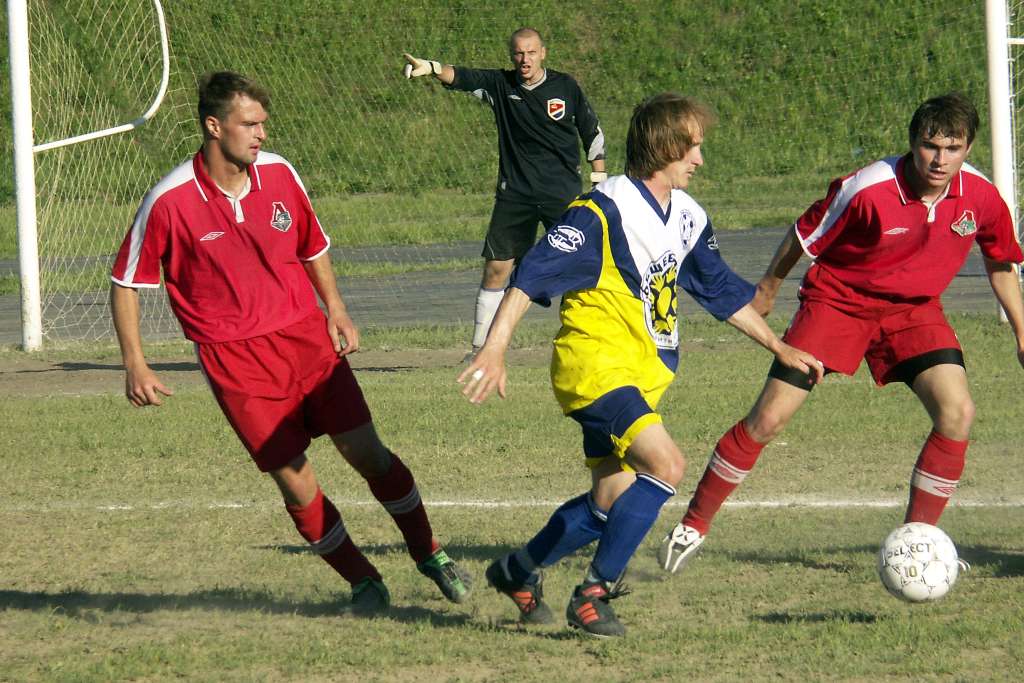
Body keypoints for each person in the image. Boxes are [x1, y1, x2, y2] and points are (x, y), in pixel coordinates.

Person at [458, 93, 823, 637]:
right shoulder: (601, 211)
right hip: (594, 367)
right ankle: (593, 594)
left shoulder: (688, 216)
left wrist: (779, 347)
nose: (699, 159)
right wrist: (494, 348)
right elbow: (530, 275)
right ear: (664, 147)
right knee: (666, 466)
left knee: (609, 500)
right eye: (692, 147)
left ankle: (519, 569)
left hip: (641, 374)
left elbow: (719, 291)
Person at [109, 71, 471, 614]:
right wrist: (135, 363)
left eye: (263, 123)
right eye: (249, 124)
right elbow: (125, 282)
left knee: (368, 453)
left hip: (306, 339)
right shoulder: (169, 199)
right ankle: (363, 581)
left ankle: (429, 551)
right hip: (235, 361)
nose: (261, 133)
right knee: (295, 481)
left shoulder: (279, 172)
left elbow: (312, 244)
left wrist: (337, 309)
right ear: (214, 126)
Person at [657, 92, 1024, 575]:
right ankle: (693, 524)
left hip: (913, 312)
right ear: (912, 143)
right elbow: (803, 234)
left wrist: (1021, 333)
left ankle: (917, 543)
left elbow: (1001, 262)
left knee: (958, 413)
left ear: (968, 148)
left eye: (952, 148)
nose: (940, 159)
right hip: (838, 303)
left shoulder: (981, 195)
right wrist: (767, 290)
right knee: (769, 420)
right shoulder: (869, 188)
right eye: (930, 146)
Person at [403, 27, 607, 355]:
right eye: (519, 53)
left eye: (531, 52)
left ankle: (591, 342)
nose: (525, 59)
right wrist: (432, 67)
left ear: (543, 53)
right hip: (516, 195)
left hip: (562, 194)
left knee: (579, 265)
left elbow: (592, 132)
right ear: (512, 56)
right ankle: (480, 351)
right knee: (497, 267)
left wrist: (599, 182)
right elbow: (461, 76)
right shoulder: (501, 85)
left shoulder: (565, 87)